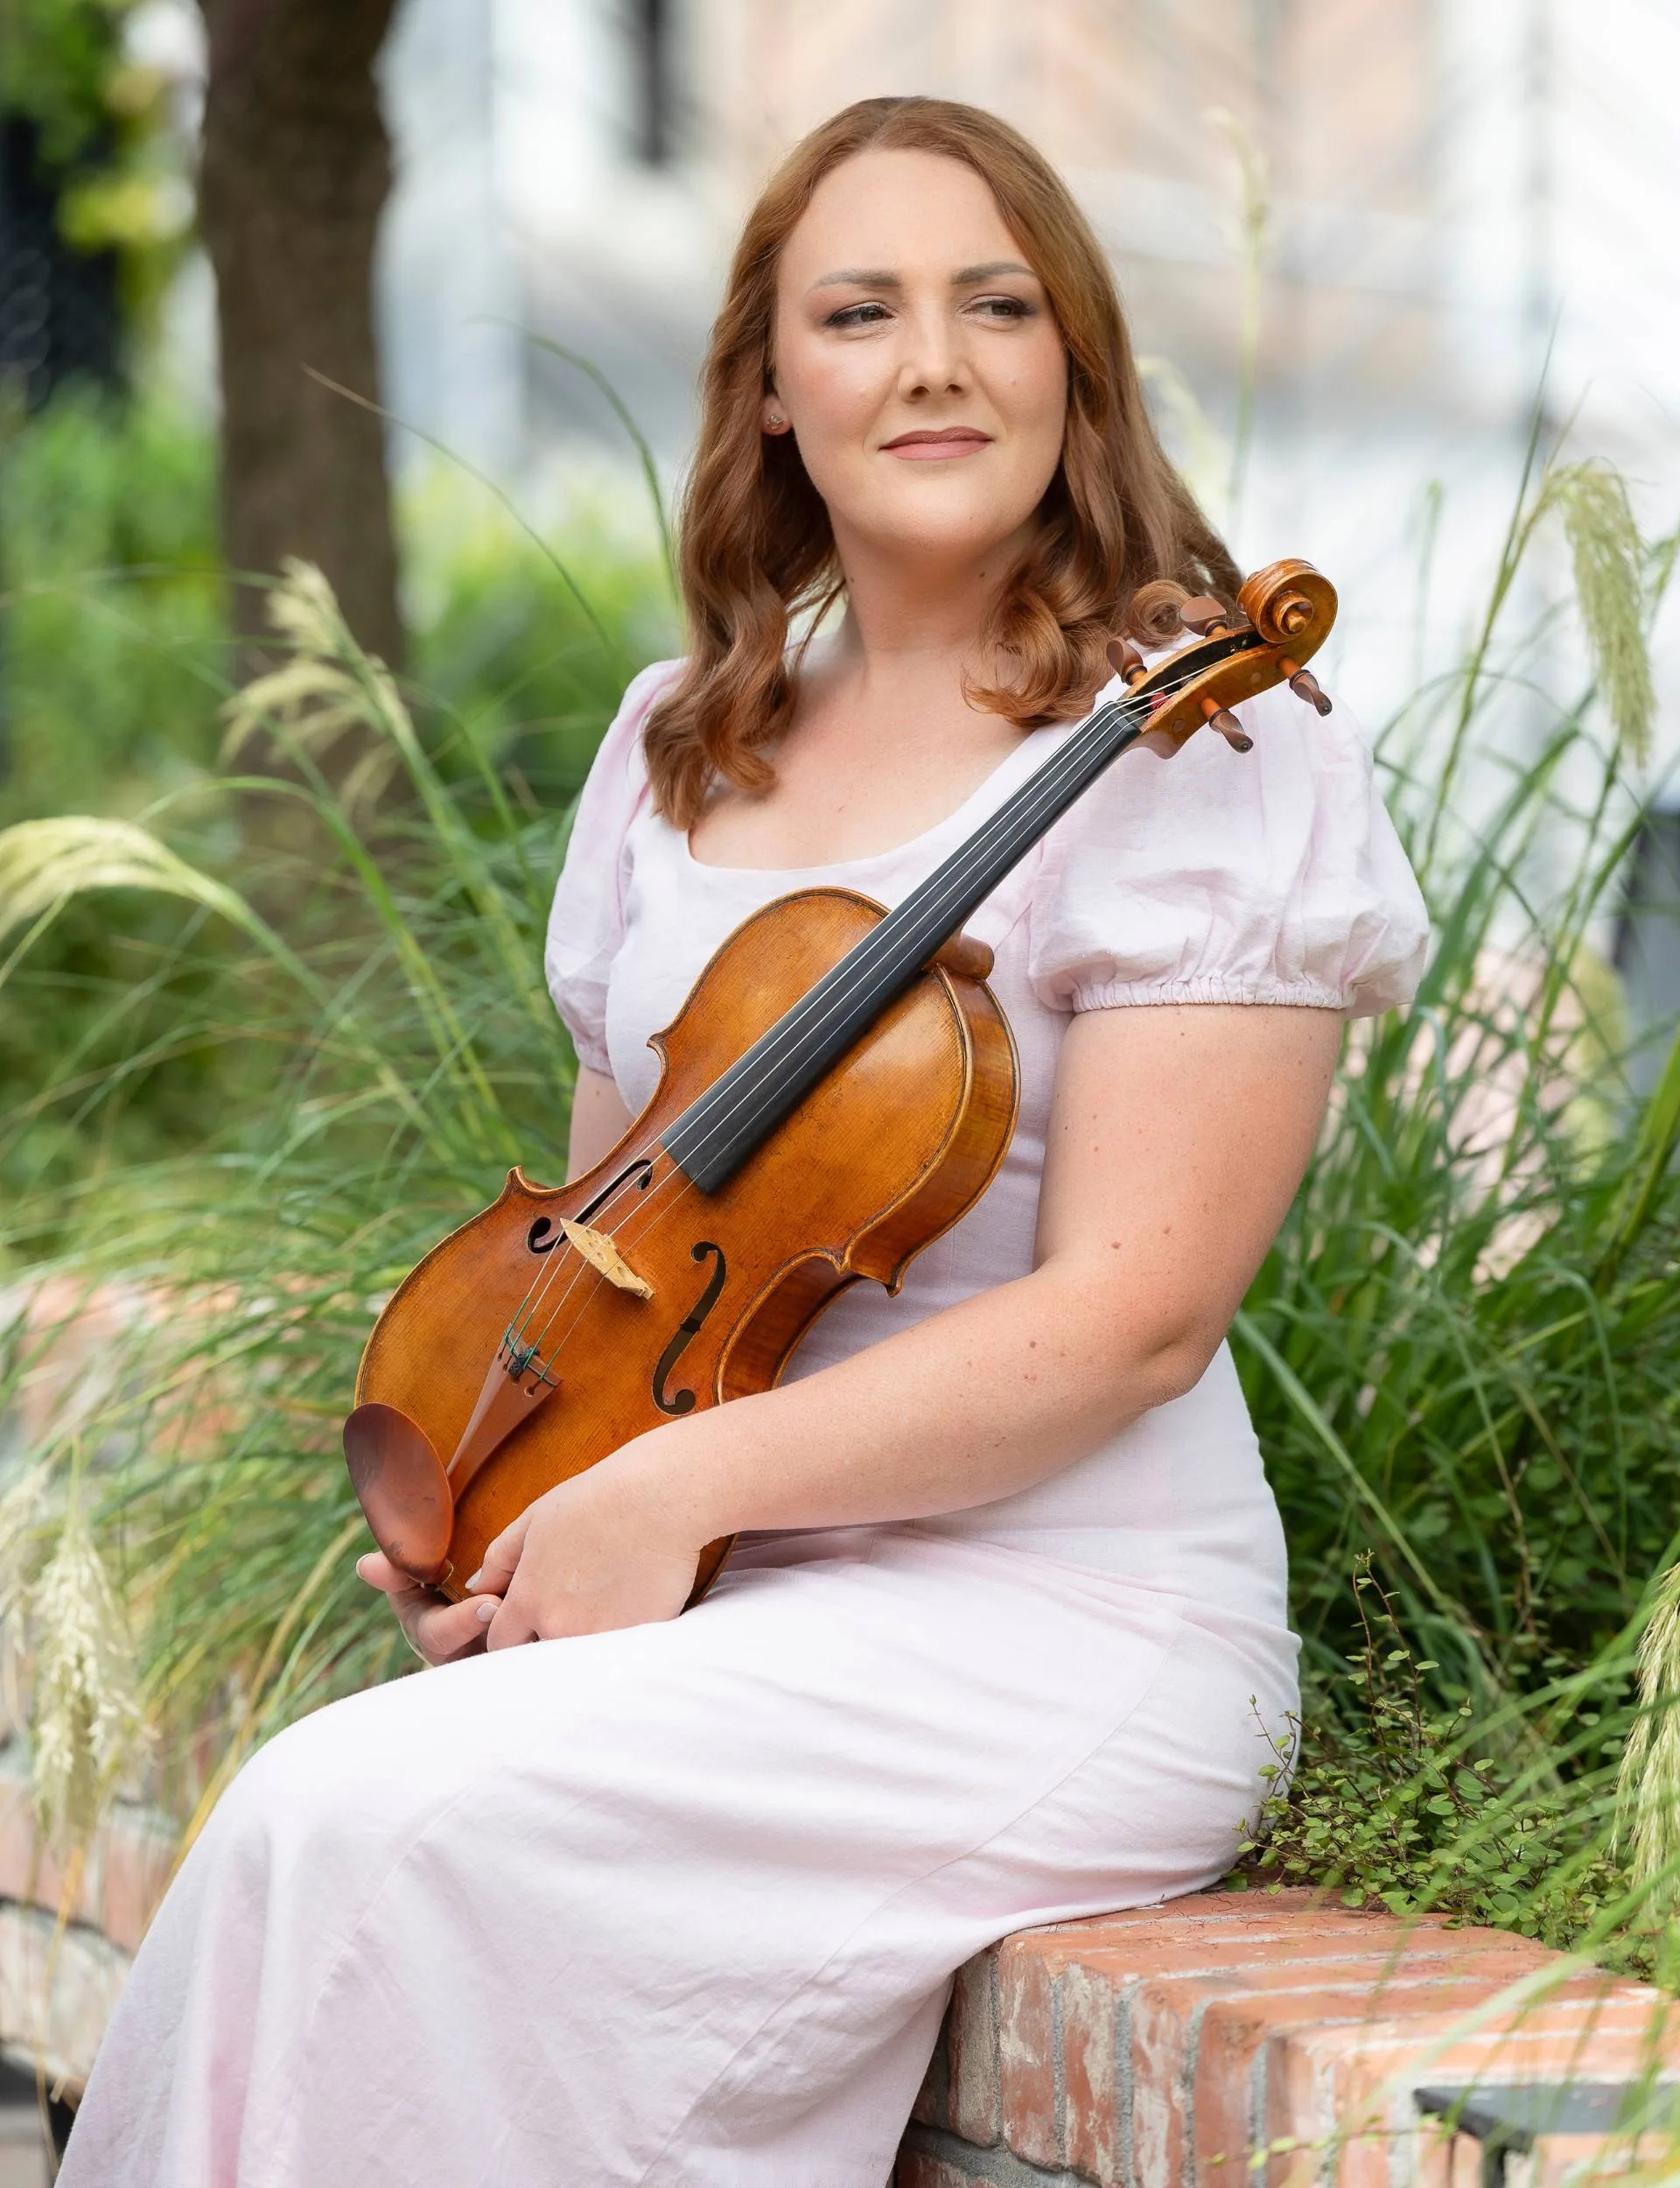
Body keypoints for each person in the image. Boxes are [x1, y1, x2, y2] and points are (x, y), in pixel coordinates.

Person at [60, 95, 1428, 2188]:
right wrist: (535, 1541)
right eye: (858, 311)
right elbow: (615, 1265)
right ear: (774, 393)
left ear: (1077, 361)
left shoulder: (1200, 754)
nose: (935, 359)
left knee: (359, 1820)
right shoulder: (677, 745)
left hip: (1059, 1613)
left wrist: (683, 1492)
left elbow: (1141, 1321)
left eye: (998, 302)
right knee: (316, 1824)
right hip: (744, 1608)